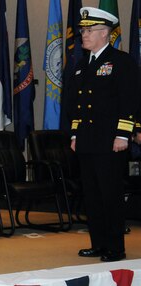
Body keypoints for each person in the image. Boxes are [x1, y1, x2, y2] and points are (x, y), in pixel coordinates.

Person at [69, 7, 139, 262]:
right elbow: (77, 104)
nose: (83, 35)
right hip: (87, 141)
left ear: (105, 34)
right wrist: (75, 135)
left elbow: (130, 101)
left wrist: (123, 135)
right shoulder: (81, 65)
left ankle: (115, 247)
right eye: (83, 31)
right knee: (92, 196)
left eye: (88, 31)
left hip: (110, 141)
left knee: (110, 195)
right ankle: (98, 243)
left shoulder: (121, 62)